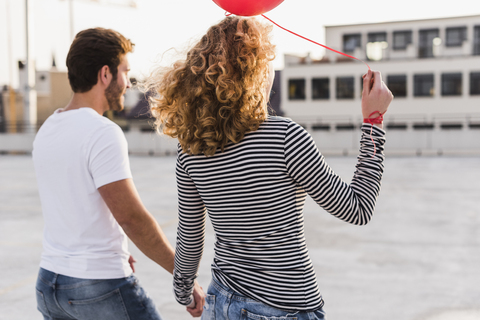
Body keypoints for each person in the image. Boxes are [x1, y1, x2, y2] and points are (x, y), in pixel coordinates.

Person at [146, 16, 393, 320]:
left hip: (219, 304)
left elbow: (190, 234)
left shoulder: (190, 149)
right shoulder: (285, 137)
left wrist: (183, 291)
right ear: (256, 72)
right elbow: (357, 209)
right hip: (283, 308)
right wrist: (374, 121)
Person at [32, 27, 205, 320]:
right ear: (105, 74)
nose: (128, 82)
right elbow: (132, 218)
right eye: (125, 71)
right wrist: (184, 277)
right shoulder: (102, 132)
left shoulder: (48, 129)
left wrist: (114, 251)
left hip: (50, 284)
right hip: (97, 289)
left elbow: (75, 205)